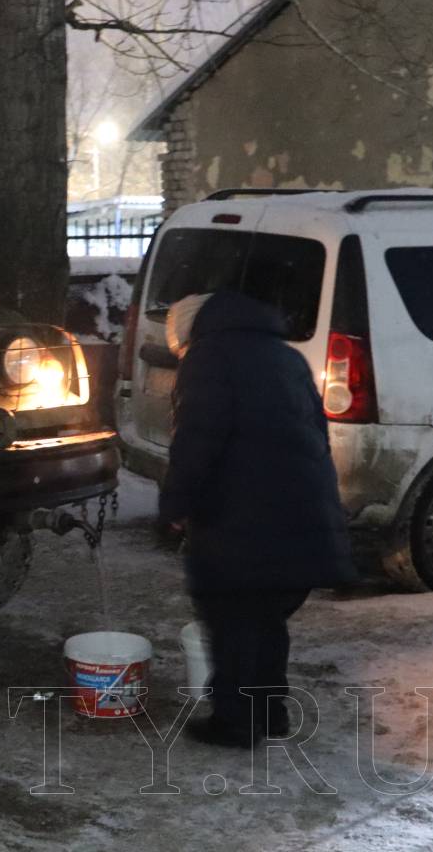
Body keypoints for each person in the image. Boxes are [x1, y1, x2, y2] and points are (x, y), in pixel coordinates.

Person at [160, 290, 356, 748]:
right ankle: (270, 712)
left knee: (231, 616)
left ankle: (235, 721)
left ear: (191, 334)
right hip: (300, 512)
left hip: (243, 518)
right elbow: (318, 435)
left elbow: (196, 441)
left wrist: (175, 506)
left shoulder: (210, 357)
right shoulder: (286, 357)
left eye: (181, 349)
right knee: (267, 617)